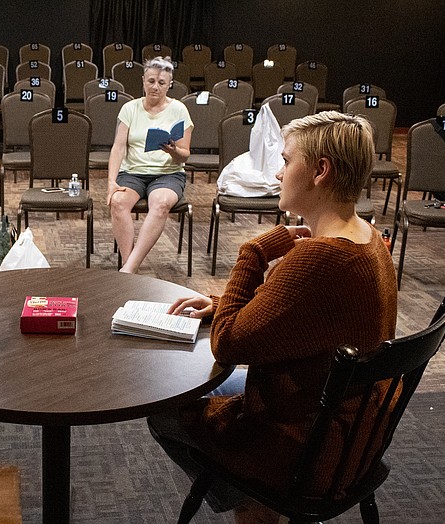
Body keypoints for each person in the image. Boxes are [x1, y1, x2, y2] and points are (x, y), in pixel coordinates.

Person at [148, 112, 398, 523]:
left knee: (164, 404)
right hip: (355, 428)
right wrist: (223, 302)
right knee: (211, 382)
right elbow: (291, 316)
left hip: (306, 443)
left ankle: (258, 502)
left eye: (286, 161)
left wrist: (255, 252)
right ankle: (257, 502)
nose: (278, 173)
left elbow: (228, 342)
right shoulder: (368, 238)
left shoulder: (320, 258)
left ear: (320, 170)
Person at [107, 56, 193, 273]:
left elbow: (184, 156)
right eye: (152, 81)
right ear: (143, 80)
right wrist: (110, 182)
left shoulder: (179, 110)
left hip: (168, 174)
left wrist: (174, 151)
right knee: (117, 201)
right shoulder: (130, 108)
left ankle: (128, 270)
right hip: (133, 172)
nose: (156, 87)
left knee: (161, 203)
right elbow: (118, 147)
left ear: (169, 84)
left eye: (162, 83)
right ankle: (131, 266)